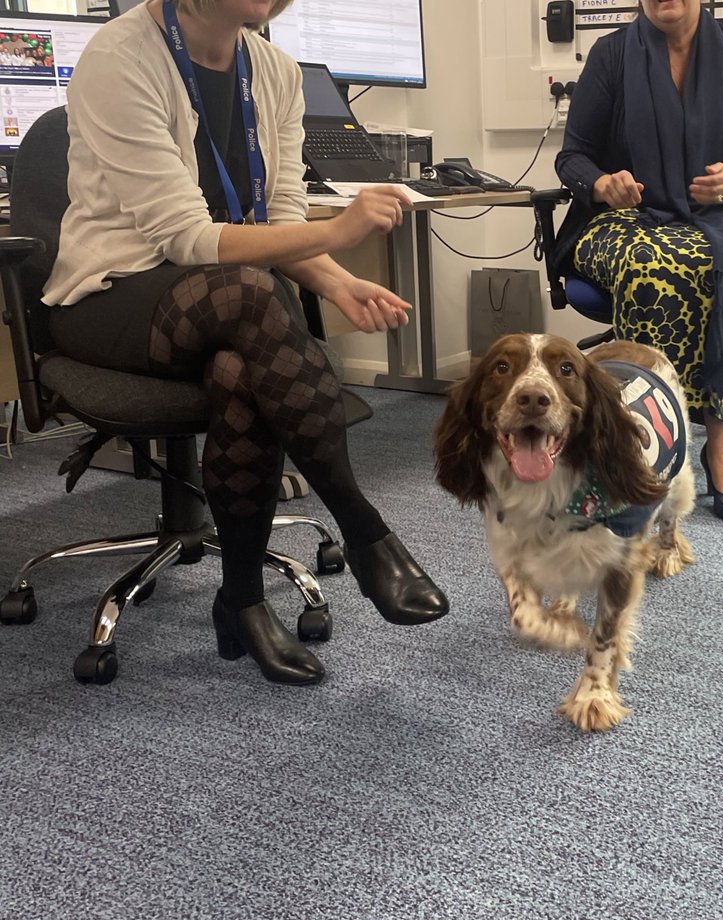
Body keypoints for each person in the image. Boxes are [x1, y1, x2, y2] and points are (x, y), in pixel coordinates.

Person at [42, 0, 448, 686]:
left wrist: (337, 281)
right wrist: (336, 235)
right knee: (250, 295)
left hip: (228, 305)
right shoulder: (121, 55)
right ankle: (363, 527)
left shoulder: (275, 69)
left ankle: (242, 602)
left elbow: (280, 219)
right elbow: (187, 240)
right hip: (112, 292)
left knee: (240, 368)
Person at [554, 0, 723, 524]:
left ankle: (717, 442)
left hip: (722, 218)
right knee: (652, 263)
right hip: (626, 220)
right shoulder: (612, 54)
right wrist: (600, 182)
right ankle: (633, 438)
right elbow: (572, 156)